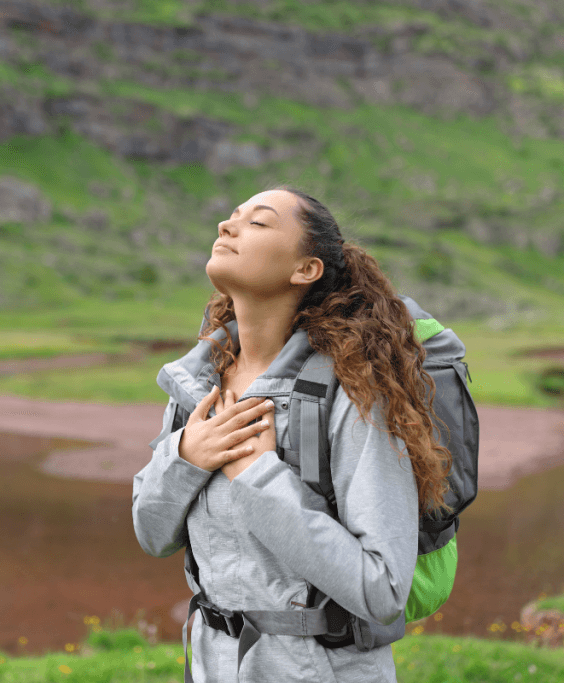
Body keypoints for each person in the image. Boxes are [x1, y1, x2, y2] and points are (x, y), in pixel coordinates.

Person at [132, 187, 452, 682]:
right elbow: (151, 536)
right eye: (231, 217)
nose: (226, 227)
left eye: (258, 223)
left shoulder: (352, 392)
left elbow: (382, 591)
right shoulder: (199, 382)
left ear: (305, 269)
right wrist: (185, 458)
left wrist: (261, 479)